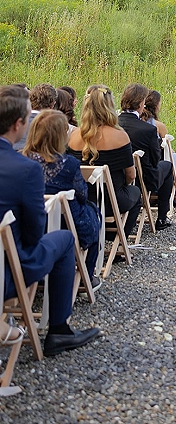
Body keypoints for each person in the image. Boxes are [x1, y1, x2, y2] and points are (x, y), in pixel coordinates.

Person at [0, 85, 100, 356]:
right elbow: (33, 233)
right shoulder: (25, 169)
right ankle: (59, 329)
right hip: (7, 273)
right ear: (20, 124)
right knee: (65, 239)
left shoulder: (27, 161)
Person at [23, 109, 102, 289]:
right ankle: (86, 276)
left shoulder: (23, 160)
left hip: (30, 222)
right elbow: (81, 194)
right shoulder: (69, 164)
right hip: (63, 222)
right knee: (94, 216)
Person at [67, 85, 142, 240]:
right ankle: (118, 242)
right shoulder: (120, 136)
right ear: (109, 107)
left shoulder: (73, 137)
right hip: (111, 202)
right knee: (136, 194)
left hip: (82, 201)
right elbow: (131, 175)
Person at [118, 84, 174, 231]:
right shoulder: (148, 129)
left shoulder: (113, 124)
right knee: (167, 166)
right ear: (141, 103)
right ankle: (162, 217)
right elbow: (156, 160)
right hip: (143, 179)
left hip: (117, 178)